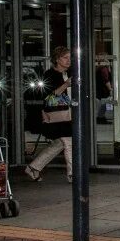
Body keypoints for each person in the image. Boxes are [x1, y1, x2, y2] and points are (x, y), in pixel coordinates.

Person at [25, 46, 74, 183]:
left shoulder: (69, 73)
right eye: (65, 58)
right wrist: (65, 85)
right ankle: (72, 174)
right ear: (57, 59)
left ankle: (33, 167)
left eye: (70, 57)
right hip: (57, 115)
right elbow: (48, 98)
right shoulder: (50, 75)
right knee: (69, 142)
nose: (68, 60)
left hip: (68, 113)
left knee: (59, 143)